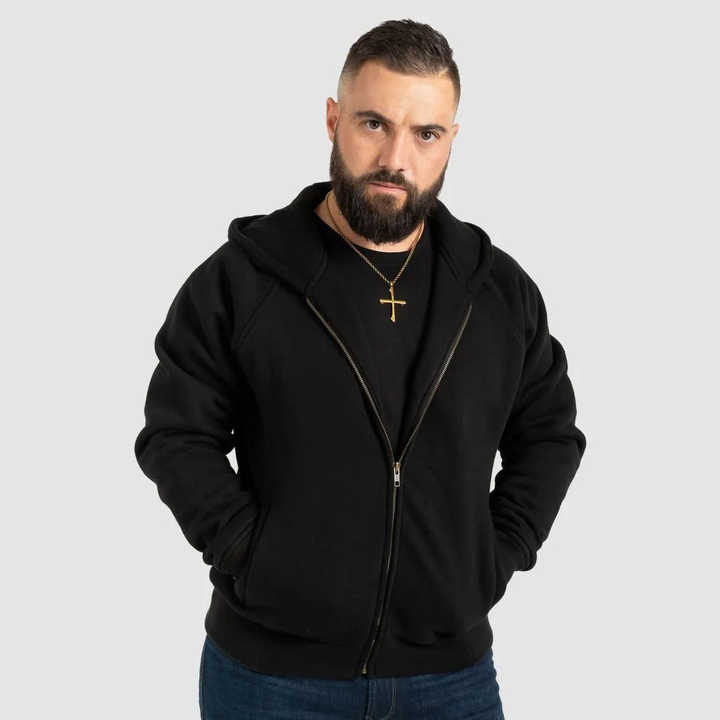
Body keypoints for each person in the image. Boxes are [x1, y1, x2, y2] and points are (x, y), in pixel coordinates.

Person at [134, 18, 587, 719]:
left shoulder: (497, 292)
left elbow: (550, 434)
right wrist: (251, 556)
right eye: (374, 124)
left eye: (425, 134)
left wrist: (493, 558)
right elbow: (176, 434)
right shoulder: (242, 282)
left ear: (451, 140)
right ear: (332, 119)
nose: (395, 158)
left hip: (451, 680)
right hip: (272, 677)